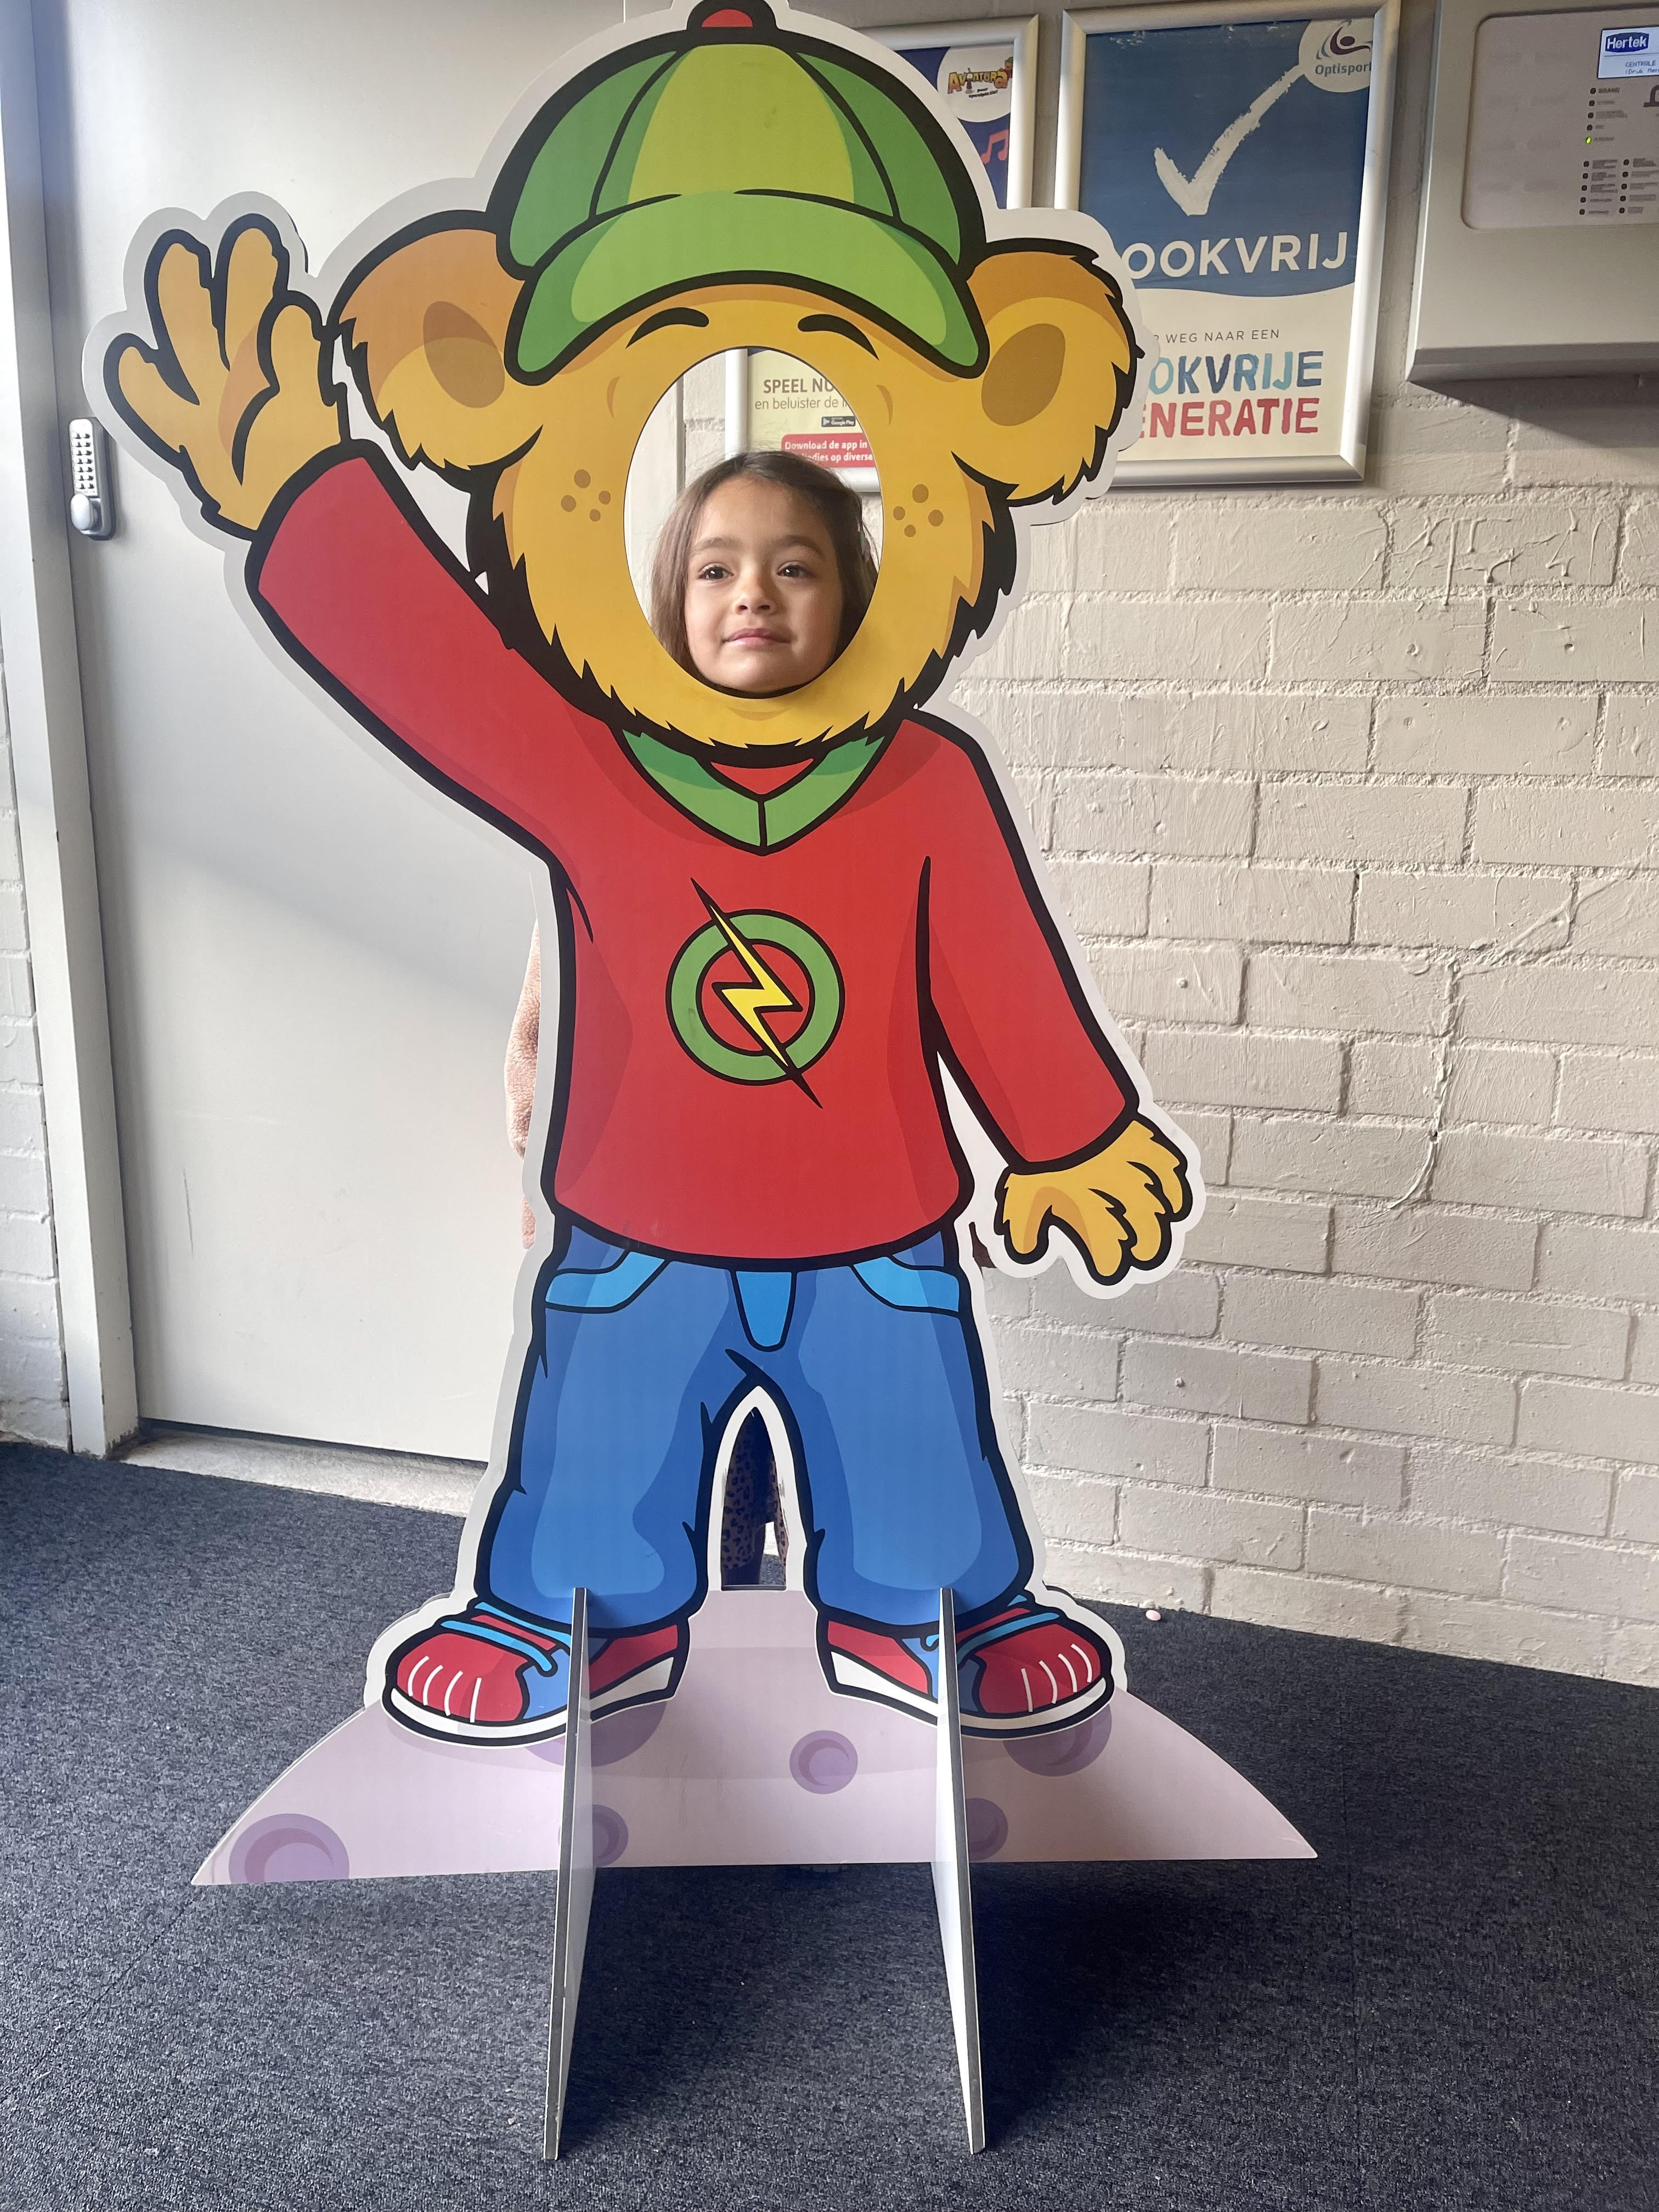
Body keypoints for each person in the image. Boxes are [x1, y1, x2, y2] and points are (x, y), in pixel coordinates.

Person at [500, 449, 870, 1581]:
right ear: (674, 601)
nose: (753, 593)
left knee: (831, 1475)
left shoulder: (892, 788)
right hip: (650, 1221)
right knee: (648, 1471)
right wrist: (540, 1183)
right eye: (716, 570)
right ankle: (670, 1639)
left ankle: (793, 1628)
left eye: (793, 567)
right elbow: (543, 1026)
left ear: (855, 598)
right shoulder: (617, 792)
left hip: (833, 1225)